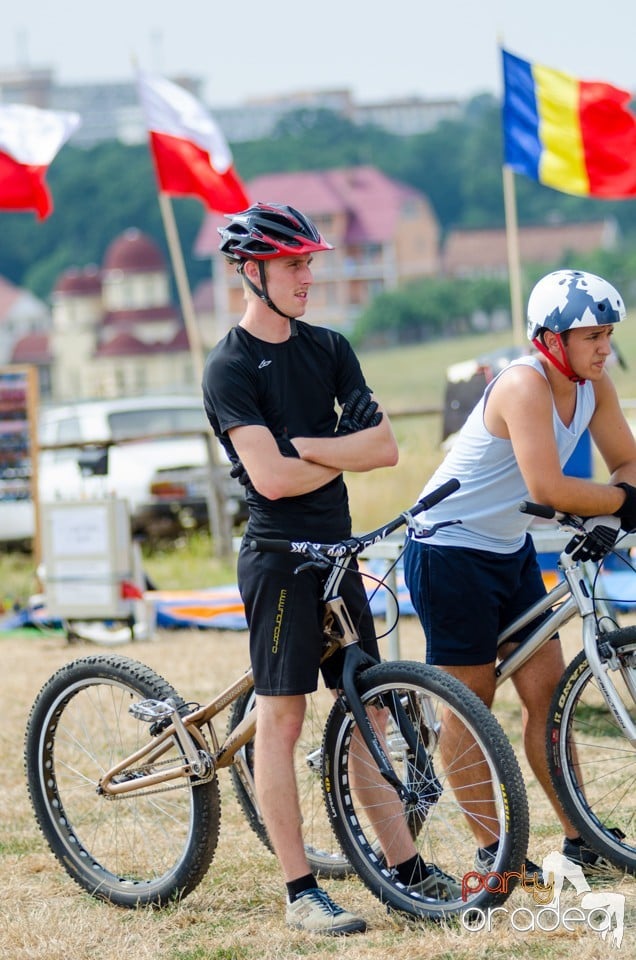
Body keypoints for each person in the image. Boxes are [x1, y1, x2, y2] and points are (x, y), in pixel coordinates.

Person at [202, 202, 456, 935]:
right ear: (253, 273)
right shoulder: (229, 367)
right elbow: (271, 484)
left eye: (310, 262)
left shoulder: (332, 348)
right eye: (293, 264)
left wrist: (303, 448)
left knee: (368, 709)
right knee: (283, 719)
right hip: (280, 559)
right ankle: (300, 891)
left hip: (339, 553)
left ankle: (406, 869)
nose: (308, 276)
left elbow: (384, 450)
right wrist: (328, 448)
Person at [403, 268, 636, 875]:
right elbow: (548, 486)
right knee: (470, 704)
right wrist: (622, 501)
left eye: (608, 334)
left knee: (549, 697)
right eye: (592, 337)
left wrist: (625, 493)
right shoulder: (523, 386)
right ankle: (494, 854)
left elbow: (628, 460)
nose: (605, 349)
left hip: (507, 549)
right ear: (551, 340)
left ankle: (581, 835)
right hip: (448, 549)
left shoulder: (594, 385)